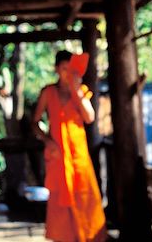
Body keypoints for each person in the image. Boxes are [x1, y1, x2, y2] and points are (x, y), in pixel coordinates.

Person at [31, 51, 107, 242]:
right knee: (59, 204)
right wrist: (47, 140)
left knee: (86, 199)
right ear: (57, 69)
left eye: (70, 69)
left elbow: (89, 117)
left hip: (79, 158)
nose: (67, 73)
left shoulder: (80, 91)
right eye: (63, 69)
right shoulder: (48, 92)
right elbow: (35, 122)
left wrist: (77, 91)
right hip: (58, 158)